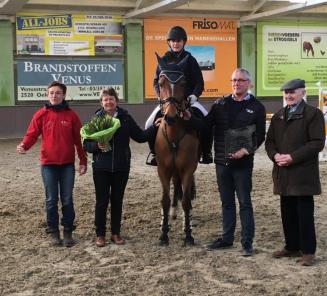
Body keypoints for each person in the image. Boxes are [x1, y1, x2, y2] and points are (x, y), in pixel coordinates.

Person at [16, 81, 87, 247]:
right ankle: (54, 232)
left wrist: (83, 161)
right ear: (48, 95)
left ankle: (68, 231)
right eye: (51, 93)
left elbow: (79, 140)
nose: (54, 95)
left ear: (63, 95)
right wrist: (24, 145)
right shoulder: (40, 114)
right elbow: (31, 134)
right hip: (48, 165)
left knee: (67, 199)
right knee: (50, 199)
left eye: (58, 93)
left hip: (67, 165)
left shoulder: (72, 116)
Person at [83, 88, 156, 247]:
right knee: (101, 201)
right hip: (101, 167)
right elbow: (86, 144)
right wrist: (96, 145)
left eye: (111, 99)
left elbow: (140, 137)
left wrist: (155, 127)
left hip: (121, 166)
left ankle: (115, 233)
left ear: (116, 101)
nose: (108, 102)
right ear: (101, 103)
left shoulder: (126, 118)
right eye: (105, 100)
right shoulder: (96, 119)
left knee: (117, 201)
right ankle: (100, 234)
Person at [205, 68, 266, 256]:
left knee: (244, 202)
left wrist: (246, 150)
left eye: (240, 80)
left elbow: (260, 136)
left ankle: (247, 242)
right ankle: (226, 238)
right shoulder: (219, 104)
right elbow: (205, 126)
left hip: (243, 165)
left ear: (248, 83)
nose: (236, 83)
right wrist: (187, 117)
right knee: (226, 203)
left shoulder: (257, 107)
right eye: (233, 80)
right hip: (222, 163)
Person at [265, 79, 325, 266]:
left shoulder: (313, 114)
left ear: (302, 93)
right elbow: (270, 142)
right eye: (286, 92)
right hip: (283, 172)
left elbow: (317, 142)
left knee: (304, 213)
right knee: (287, 212)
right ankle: (291, 246)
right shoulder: (279, 116)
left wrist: (292, 157)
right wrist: (275, 156)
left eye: (293, 92)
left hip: (302, 172)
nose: (288, 95)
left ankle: (308, 251)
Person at [145, 25, 213, 166]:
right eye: (173, 41)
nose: (176, 43)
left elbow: (199, 82)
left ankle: (206, 152)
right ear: (169, 42)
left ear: (184, 42)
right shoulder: (163, 60)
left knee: (206, 121)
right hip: (168, 101)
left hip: (187, 100)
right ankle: (154, 153)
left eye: (179, 41)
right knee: (148, 123)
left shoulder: (190, 59)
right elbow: (156, 81)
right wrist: (160, 95)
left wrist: (194, 95)